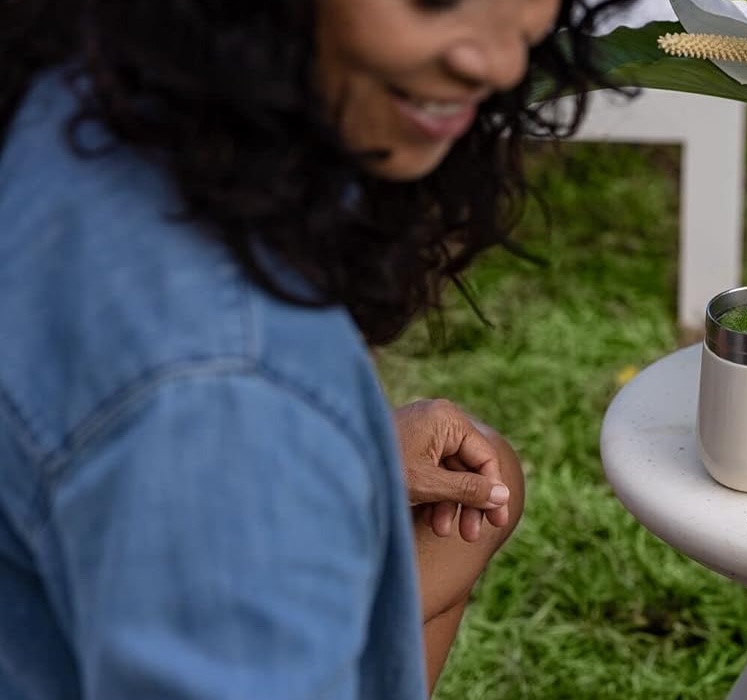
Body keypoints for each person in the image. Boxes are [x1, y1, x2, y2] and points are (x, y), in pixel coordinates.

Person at [0, 0, 626, 697]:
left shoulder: (82, 106)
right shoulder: (229, 386)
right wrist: (284, 456)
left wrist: (350, 450)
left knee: (479, 485)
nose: (502, 64)